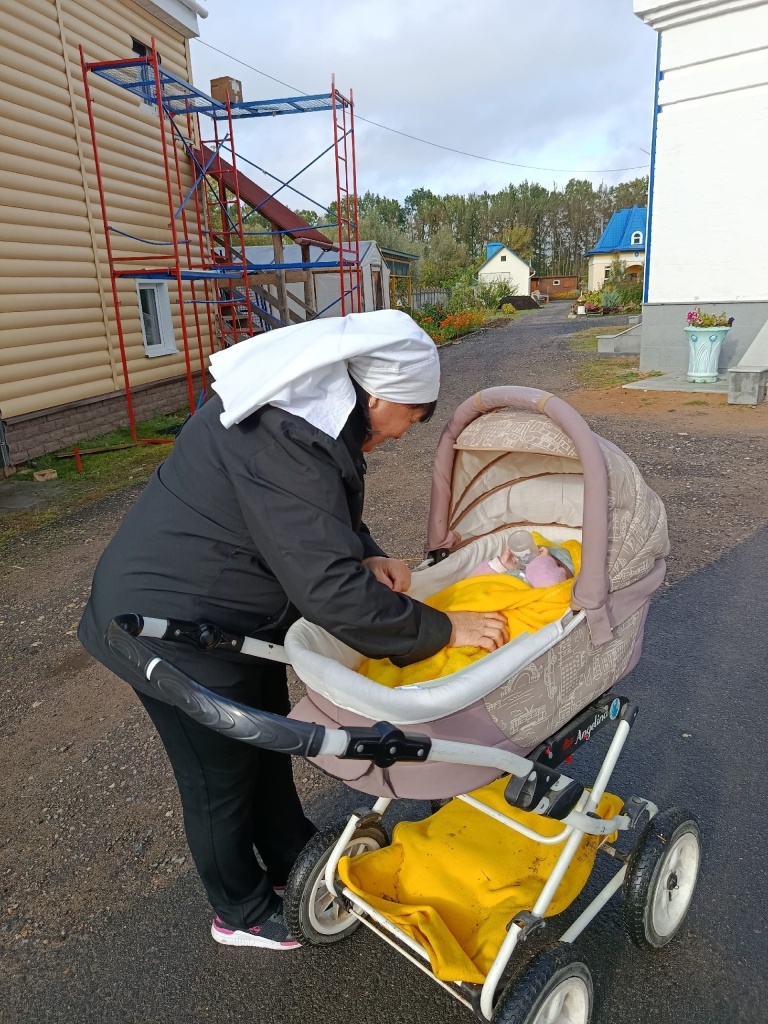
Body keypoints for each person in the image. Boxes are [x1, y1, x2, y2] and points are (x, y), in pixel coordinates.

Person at [78, 309, 508, 951]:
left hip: (224, 617)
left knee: (263, 738)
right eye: (410, 422)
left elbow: (312, 523)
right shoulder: (287, 437)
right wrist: (443, 630)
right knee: (217, 773)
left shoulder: (307, 418)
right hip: (164, 624)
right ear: (382, 395)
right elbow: (330, 591)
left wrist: (365, 549)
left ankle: (289, 856)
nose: (400, 435)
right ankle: (240, 911)